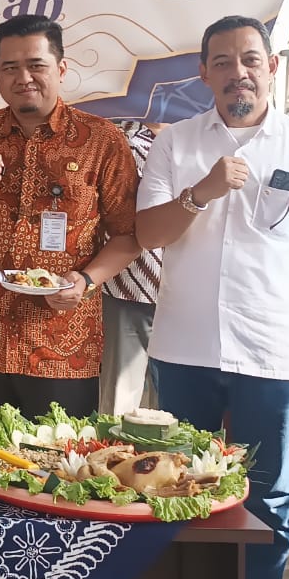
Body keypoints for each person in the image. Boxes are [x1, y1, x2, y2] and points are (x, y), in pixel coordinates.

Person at [135, 15, 289, 579]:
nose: (237, 72)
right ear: (204, 73)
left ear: (272, 66)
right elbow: (148, 233)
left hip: (275, 351)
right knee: (173, 483)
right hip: (185, 348)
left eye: (249, 59)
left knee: (268, 495)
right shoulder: (176, 144)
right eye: (223, 62)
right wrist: (202, 191)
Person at [0, 14, 140, 428]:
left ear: (61, 69)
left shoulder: (102, 140)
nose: (23, 77)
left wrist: (86, 281)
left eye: (36, 65)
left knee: (57, 463)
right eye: (10, 67)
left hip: (62, 344)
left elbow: (129, 236)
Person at [98, 120, 166, 414]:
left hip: (188, 291)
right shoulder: (116, 136)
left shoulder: (200, 137)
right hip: (127, 284)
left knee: (174, 404)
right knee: (119, 397)